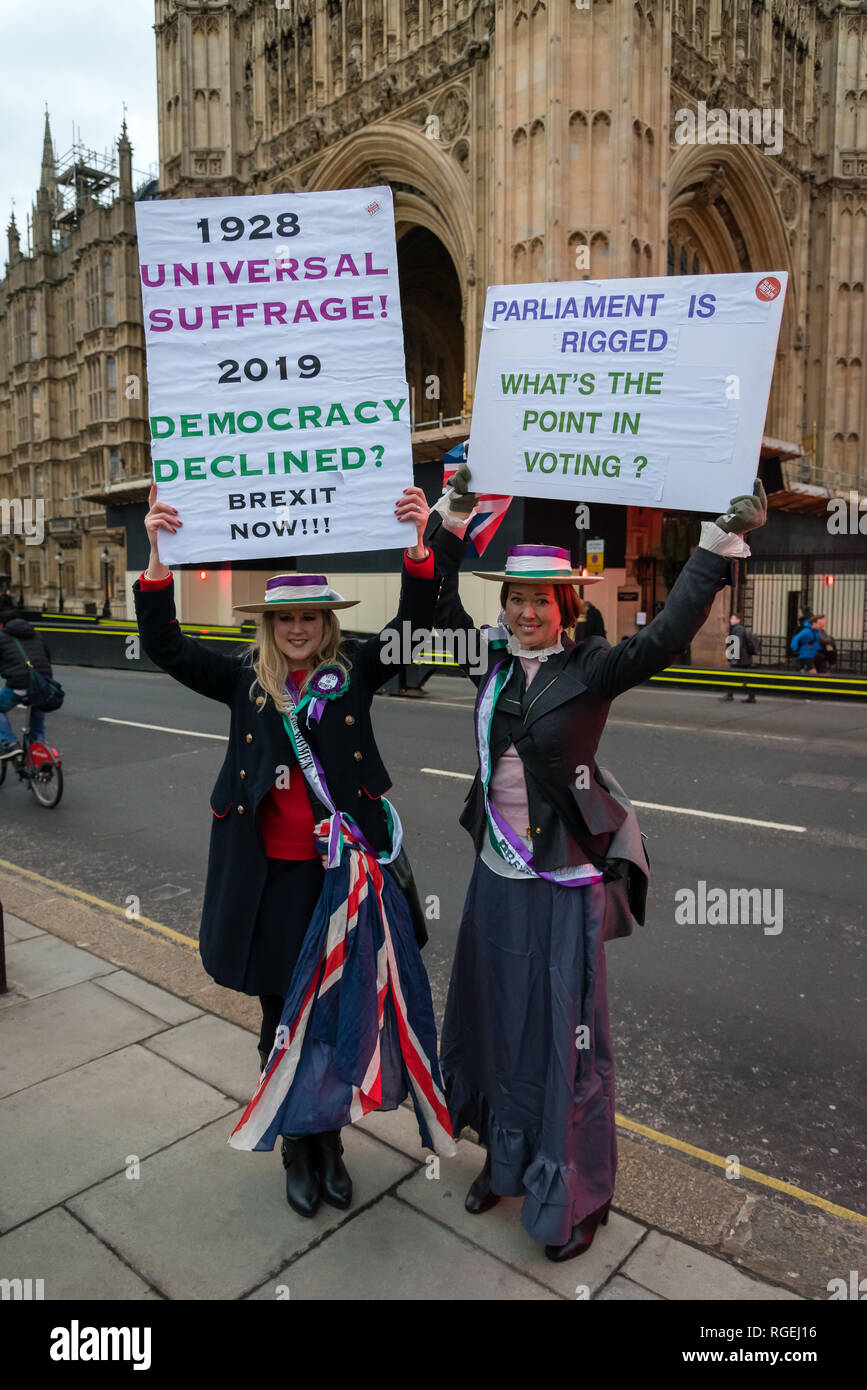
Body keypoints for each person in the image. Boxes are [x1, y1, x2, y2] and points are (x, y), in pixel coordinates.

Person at [428, 465, 767, 1262]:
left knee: (564, 1043)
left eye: (537, 600)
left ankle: (574, 1190)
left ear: (564, 607)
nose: (521, 610)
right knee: (495, 1026)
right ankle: (504, 1163)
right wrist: (449, 520)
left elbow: (668, 633)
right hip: (497, 878)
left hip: (563, 880)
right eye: (512, 597)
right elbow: (437, 608)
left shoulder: (591, 670)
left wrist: (716, 544)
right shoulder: (489, 666)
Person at [134, 481, 453, 1219]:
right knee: (283, 1018)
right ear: (269, 623)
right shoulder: (243, 682)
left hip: (341, 883)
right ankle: (294, 1145)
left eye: (311, 617)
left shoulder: (352, 680)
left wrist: (419, 548)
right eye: (286, 618)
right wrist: (156, 558)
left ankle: (329, 1142)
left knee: (339, 1016)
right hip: (270, 882)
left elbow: (413, 627)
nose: (299, 629)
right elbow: (164, 646)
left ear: (326, 623)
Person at [0, 610, 53, 757]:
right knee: (38, 716)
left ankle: (10, 743)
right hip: (43, 684)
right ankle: (39, 752)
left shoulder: (2, 637)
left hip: (20, 684)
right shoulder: (36, 634)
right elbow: (47, 657)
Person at [720, 612, 757, 703]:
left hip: (740, 659)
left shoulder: (738, 629)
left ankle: (730, 695)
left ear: (738, 620)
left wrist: (733, 658)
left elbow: (737, 643)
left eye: (732, 618)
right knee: (744, 678)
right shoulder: (739, 629)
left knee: (733, 676)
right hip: (744, 658)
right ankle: (750, 696)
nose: (730, 620)